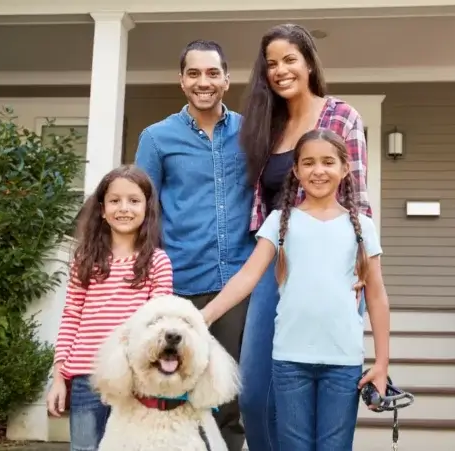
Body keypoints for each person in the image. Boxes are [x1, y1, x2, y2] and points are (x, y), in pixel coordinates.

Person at [202, 129, 390, 450]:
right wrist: (203, 316)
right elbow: (247, 277)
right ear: (296, 170)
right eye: (309, 163)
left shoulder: (362, 226)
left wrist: (382, 363)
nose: (318, 170)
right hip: (290, 360)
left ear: (345, 168)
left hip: (343, 361)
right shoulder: (279, 222)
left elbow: (376, 295)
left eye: (328, 162)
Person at [238, 23, 373, 450]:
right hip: (273, 262)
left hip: (330, 267)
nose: (280, 70)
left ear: (310, 63)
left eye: (289, 59)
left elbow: (359, 196)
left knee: (319, 390)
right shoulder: (267, 126)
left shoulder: (342, 116)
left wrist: (363, 264)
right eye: (271, 64)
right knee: (256, 392)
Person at [134, 39, 253, 451]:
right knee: (176, 393)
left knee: (230, 399)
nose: (204, 82)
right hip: (179, 283)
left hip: (238, 284)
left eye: (212, 73)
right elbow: (143, 212)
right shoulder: (156, 137)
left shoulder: (250, 131)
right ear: (182, 81)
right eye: (194, 73)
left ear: (227, 78)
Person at [46, 165, 174, 451]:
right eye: (115, 200)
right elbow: (71, 317)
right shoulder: (85, 260)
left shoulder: (158, 262)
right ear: (102, 209)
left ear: (147, 208)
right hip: (86, 378)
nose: (124, 208)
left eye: (133, 200)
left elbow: (159, 326)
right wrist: (58, 378)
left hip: (135, 381)